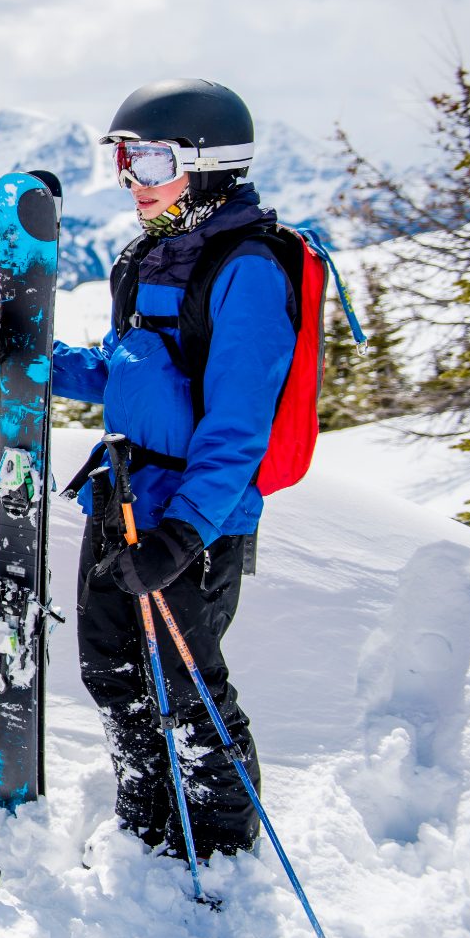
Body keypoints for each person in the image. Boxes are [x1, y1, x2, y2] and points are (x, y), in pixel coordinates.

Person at [50, 78, 290, 859]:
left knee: (185, 688)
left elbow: (237, 424)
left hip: (195, 519)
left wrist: (184, 533)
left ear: (209, 163)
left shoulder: (245, 269)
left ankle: (219, 841)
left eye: (151, 161)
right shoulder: (151, 255)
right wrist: (33, 361)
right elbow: (130, 367)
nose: (132, 180)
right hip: (122, 500)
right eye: (126, 159)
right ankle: (149, 820)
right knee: (110, 670)